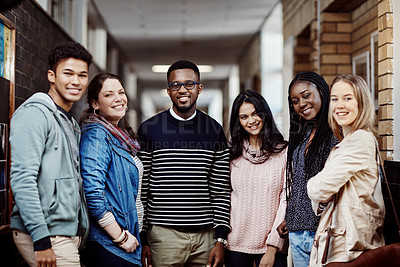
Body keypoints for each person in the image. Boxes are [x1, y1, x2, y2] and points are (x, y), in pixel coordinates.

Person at [137, 60, 231, 267]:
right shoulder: (149, 129)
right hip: (163, 237)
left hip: (205, 238)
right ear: (168, 90)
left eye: (189, 84)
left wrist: (220, 238)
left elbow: (221, 189)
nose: (182, 90)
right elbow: (141, 190)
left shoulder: (214, 130)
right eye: (175, 85)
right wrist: (143, 238)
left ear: (199, 88)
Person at [9, 41, 92, 266]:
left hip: (66, 233)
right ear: (51, 76)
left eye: (82, 75)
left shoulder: (71, 124)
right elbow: (22, 180)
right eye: (68, 73)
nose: (76, 81)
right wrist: (41, 240)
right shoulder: (34, 115)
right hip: (46, 235)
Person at [307, 74, 385, 266]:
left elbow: (317, 190)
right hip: (343, 247)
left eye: (347, 98)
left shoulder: (360, 140)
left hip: (350, 250)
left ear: (362, 103)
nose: (339, 105)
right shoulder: (349, 141)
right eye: (335, 99)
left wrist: (315, 186)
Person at [79, 73, 142, 267]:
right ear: (95, 103)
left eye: (121, 92)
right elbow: (93, 194)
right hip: (109, 244)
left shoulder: (119, 136)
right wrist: (121, 237)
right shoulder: (97, 135)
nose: (118, 98)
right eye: (109, 95)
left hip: (126, 239)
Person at [277, 71, 337, 267]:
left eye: (306, 95)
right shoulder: (302, 135)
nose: (301, 104)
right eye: (295, 100)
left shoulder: (337, 133)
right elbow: (300, 182)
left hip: (325, 232)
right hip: (297, 231)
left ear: (321, 92)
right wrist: (291, 215)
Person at [225, 90, 288, 267]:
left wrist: (273, 247)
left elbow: (285, 199)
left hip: (271, 246)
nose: (251, 121)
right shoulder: (232, 156)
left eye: (255, 114)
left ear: (265, 114)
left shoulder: (284, 152)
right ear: (238, 121)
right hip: (235, 245)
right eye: (244, 117)